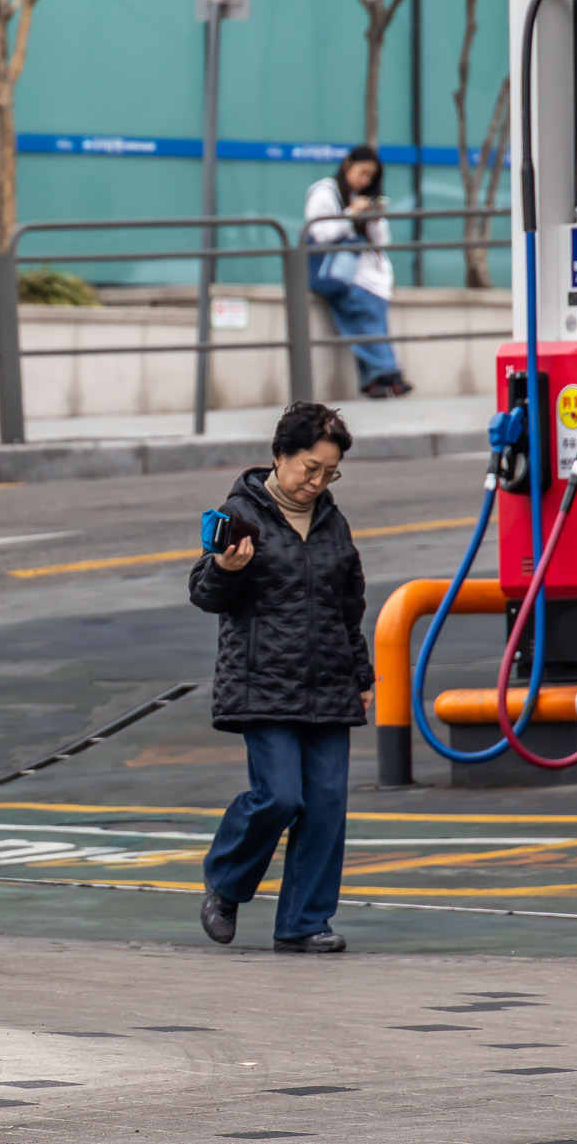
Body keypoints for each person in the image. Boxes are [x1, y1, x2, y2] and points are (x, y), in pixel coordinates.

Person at [189, 402, 372, 954]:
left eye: (329, 472)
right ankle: (225, 883)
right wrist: (226, 568)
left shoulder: (332, 522)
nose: (317, 481)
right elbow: (203, 592)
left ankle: (303, 923)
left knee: (325, 807)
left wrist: (361, 673)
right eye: (309, 468)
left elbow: (349, 606)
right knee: (279, 797)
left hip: (329, 683)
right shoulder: (241, 513)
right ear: (280, 456)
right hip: (262, 683)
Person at [304, 147, 410, 398]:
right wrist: (353, 213)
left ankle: (375, 382)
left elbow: (381, 243)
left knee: (367, 324)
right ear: (347, 164)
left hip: (367, 277)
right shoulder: (325, 192)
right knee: (367, 322)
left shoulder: (359, 196)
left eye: (370, 176)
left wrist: (374, 217)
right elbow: (320, 233)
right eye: (362, 172)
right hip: (344, 276)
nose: (365, 180)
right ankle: (389, 373)